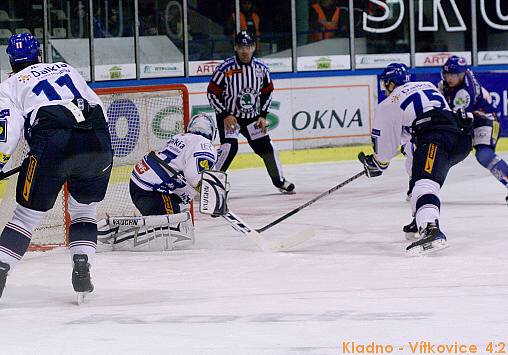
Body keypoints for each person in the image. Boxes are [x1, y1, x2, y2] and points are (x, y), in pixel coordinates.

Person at [0, 33, 113, 300]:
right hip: (98, 140)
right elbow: (98, 107)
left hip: (53, 143)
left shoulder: (10, 85)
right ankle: (82, 262)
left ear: (11, 60)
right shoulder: (67, 69)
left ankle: (2, 267)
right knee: (84, 210)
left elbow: (9, 130)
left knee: (26, 217)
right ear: (38, 53)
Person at [358, 63, 473, 255]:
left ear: (391, 83)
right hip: (461, 137)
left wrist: (378, 163)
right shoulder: (427, 85)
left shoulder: (388, 104)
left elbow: (385, 150)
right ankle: (419, 219)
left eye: (386, 84)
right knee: (415, 172)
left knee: (424, 184)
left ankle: (431, 229)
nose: (384, 88)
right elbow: (412, 140)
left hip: (436, 138)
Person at [96, 113, 218, 252]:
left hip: (143, 183)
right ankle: (115, 234)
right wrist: (213, 197)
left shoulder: (181, 138)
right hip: (154, 190)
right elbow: (194, 176)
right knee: (174, 231)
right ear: (212, 133)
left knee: (180, 224)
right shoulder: (204, 144)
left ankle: (128, 229)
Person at [207, 31, 295, 194]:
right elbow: (212, 92)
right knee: (228, 149)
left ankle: (279, 181)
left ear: (254, 47)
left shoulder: (261, 69)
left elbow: (267, 92)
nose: (244, 50)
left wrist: (263, 116)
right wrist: (225, 114)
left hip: (251, 119)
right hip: (230, 119)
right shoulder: (225, 69)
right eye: (241, 47)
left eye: (248, 46)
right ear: (235, 47)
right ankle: (209, 185)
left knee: (268, 149)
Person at [439, 56, 508, 203]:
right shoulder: (447, 83)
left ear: (463, 74)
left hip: (486, 119)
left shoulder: (464, 94)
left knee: (484, 154)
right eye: (447, 74)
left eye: (455, 75)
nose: (450, 78)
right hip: (469, 119)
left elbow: (456, 120)